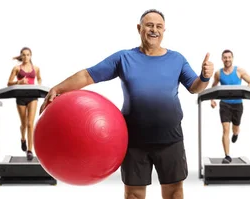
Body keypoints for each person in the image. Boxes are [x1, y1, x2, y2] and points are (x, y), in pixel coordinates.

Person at [39, 9, 213, 199]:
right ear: (139, 28)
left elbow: (195, 87)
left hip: (170, 139)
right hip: (133, 141)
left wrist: (204, 76)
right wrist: (58, 88)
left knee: (174, 192)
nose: (154, 30)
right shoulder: (124, 58)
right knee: (133, 195)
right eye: (149, 25)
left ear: (164, 31)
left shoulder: (177, 59)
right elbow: (88, 75)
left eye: (159, 26)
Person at [209, 49, 250, 164]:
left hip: (237, 104)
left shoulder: (239, 71)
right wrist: (212, 99)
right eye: (225, 57)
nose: (227, 59)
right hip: (225, 104)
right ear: (222, 59)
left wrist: (246, 93)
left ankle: (236, 133)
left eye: (229, 57)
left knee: (235, 128)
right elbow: (213, 86)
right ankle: (227, 155)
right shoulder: (218, 73)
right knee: (225, 129)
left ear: (232, 58)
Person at [6, 47, 43, 161]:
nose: (26, 57)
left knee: (30, 124)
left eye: (28, 54)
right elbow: (8, 83)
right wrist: (19, 82)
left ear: (30, 56)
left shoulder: (35, 68)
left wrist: (39, 85)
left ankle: (30, 150)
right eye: (24, 55)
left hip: (32, 96)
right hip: (20, 97)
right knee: (24, 124)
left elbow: (39, 78)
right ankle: (23, 139)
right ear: (21, 56)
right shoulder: (17, 68)